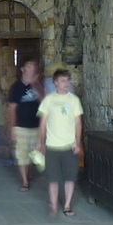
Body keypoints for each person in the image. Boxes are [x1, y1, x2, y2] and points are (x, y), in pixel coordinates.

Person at [37, 69, 84, 216]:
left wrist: (78, 142)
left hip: (69, 145)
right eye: (63, 81)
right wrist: (41, 142)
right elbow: (43, 123)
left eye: (68, 80)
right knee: (53, 179)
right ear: (55, 83)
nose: (66, 83)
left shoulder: (74, 100)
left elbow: (78, 123)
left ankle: (67, 205)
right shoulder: (49, 100)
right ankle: (54, 205)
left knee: (70, 177)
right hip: (52, 145)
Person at [5, 59, 44, 191]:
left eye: (34, 65)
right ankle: (25, 181)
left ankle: (28, 174)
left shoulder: (38, 85)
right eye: (29, 65)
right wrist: (12, 127)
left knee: (34, 154)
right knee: (22, 154)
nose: (32, 68)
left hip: (37, 125)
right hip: (21, 126)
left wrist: (36, 85)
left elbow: (45, 103)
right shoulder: (16, 87)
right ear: (23, 69)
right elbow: (11, 108)